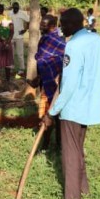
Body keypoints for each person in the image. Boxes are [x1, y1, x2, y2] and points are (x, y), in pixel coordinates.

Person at [42, 8, 100, 199]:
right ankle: (83, 189)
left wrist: (51, 113)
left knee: (70, 154)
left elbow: (68, 88)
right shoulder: (97, 40)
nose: (61, 28)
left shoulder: (73, 46)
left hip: (74, 108)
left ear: (71, 24)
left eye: (63, 23)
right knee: (78, 149)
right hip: (90, 106)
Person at [28, 15, 66, 149]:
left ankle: (59, 144)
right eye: (40, 24)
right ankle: (45, 144)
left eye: (44, 25)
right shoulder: (44, 40)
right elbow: (41, 62)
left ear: (53, 26)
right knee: (45, 114)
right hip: (46, 83)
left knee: (59, 116)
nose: (40, 27)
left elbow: (64, 64)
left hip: (58, 85)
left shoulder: (61, 42)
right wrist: (38, 78)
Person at [9, 2, 30, 76]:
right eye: (14, 8)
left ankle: (21, 69)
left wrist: (25, 29)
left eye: (17, 8)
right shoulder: (9, 13)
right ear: (12, 7)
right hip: (11, 36)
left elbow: (28, 21)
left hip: (19, 36)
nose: (16, 9)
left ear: (19, 8)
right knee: (11, 53)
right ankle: (11, 68)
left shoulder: (22, 13)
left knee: (20, 54)